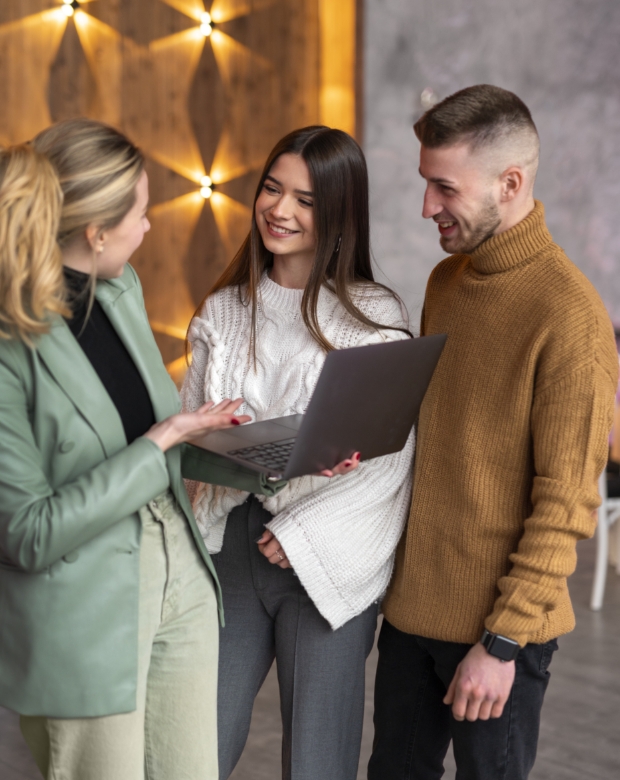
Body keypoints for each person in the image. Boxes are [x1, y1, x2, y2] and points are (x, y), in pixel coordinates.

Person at [0, 120, 287, 780]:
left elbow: (164, 444)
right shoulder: (9, 346)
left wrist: (276, 457)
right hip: (85, 611)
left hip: (177, 576)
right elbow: (28, 533)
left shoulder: (118, 290)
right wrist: (162, 439)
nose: (149, 227)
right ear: (95, 232)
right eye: (141, 213)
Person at [368, 84, 619, 779]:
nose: (426, 208)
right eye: (425, 184)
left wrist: (502, 643)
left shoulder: (569, 317)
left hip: (498, 633)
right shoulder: (447, 281)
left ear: (510, 184)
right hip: (414, 614)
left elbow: (567, 501)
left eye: (444, 188)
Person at [181, 125, 415, 780]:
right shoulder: (223, 311)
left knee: (318, 763)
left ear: (339, 212)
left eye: (306, 200)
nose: (280, 210)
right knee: (192, 747)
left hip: (324, 559)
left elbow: (390, 468)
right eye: (272, 189)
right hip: (229, 545)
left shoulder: (374, 317)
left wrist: (305, 530)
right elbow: (189, 435)